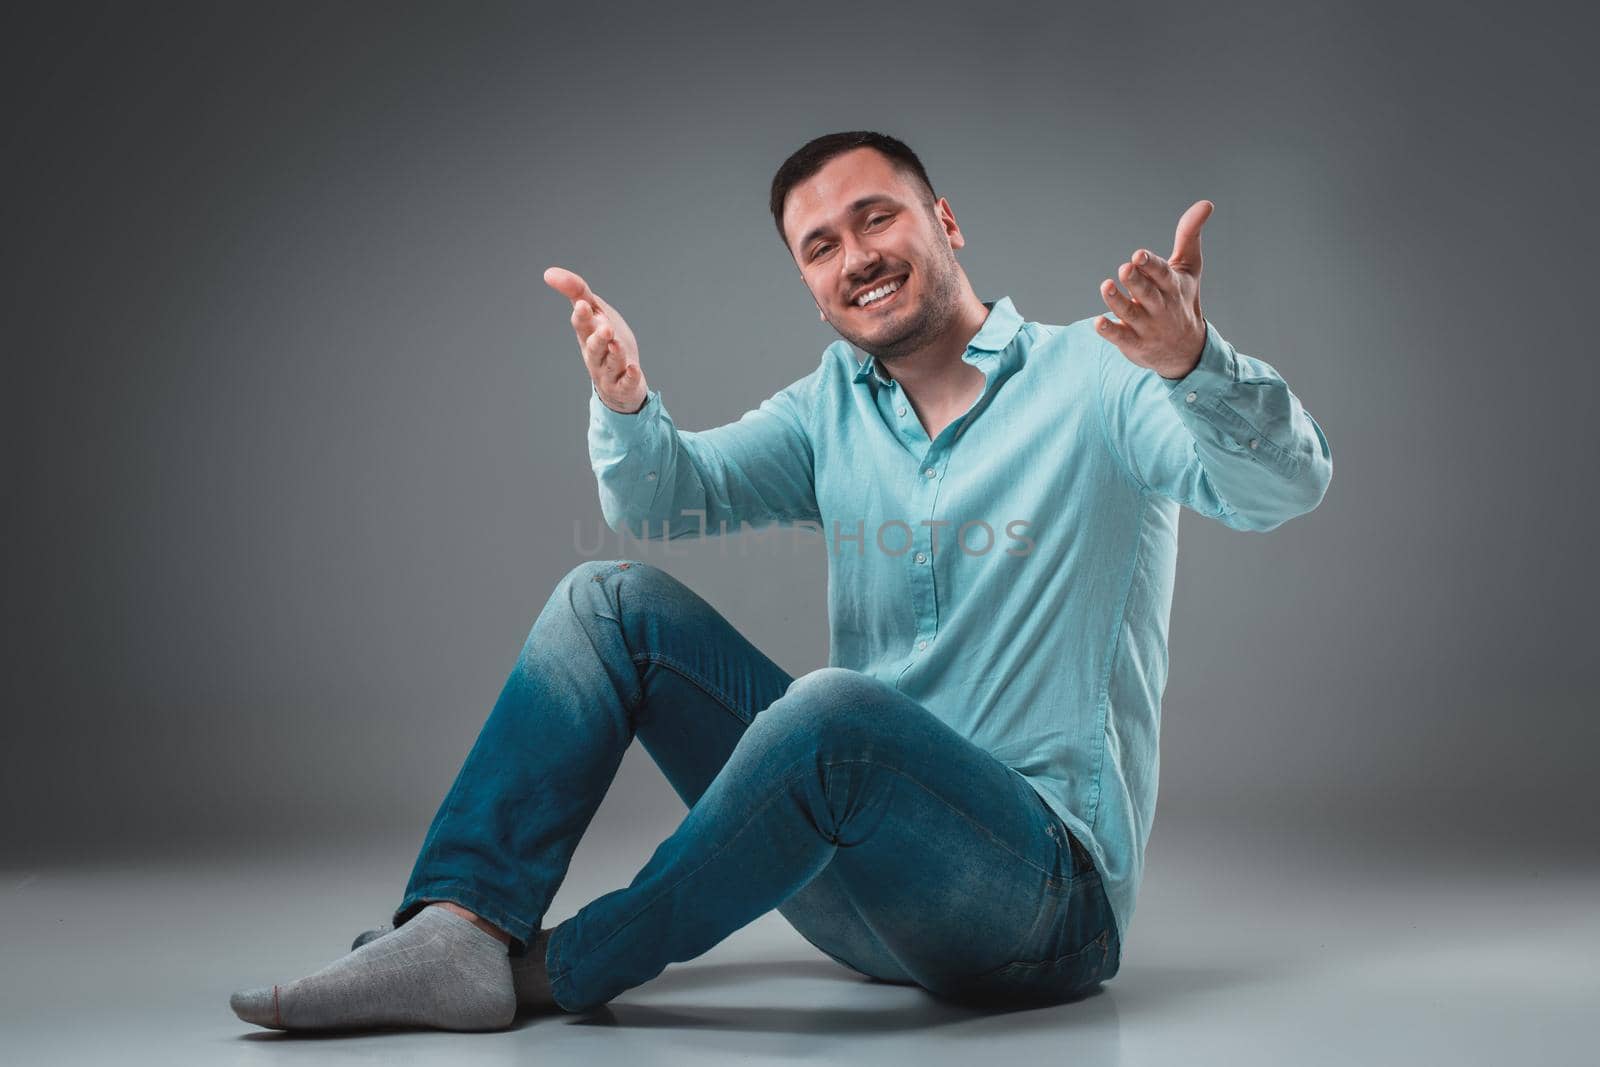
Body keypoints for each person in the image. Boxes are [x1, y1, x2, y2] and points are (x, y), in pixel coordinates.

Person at [229, 130, 1333, 1031]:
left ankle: (562, 967)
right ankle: (458, 925)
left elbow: (1282, 485)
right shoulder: (832, 407)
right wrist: (624, 405)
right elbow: (671, 497)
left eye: (875, 216)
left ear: (943, 223)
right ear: (812, 289)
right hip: (859, 897)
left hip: (1039, 904)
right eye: (819, 246)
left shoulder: (1105, 374)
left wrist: (1198, 364)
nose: (853, 254)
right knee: (603, 605)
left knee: (836, 710)